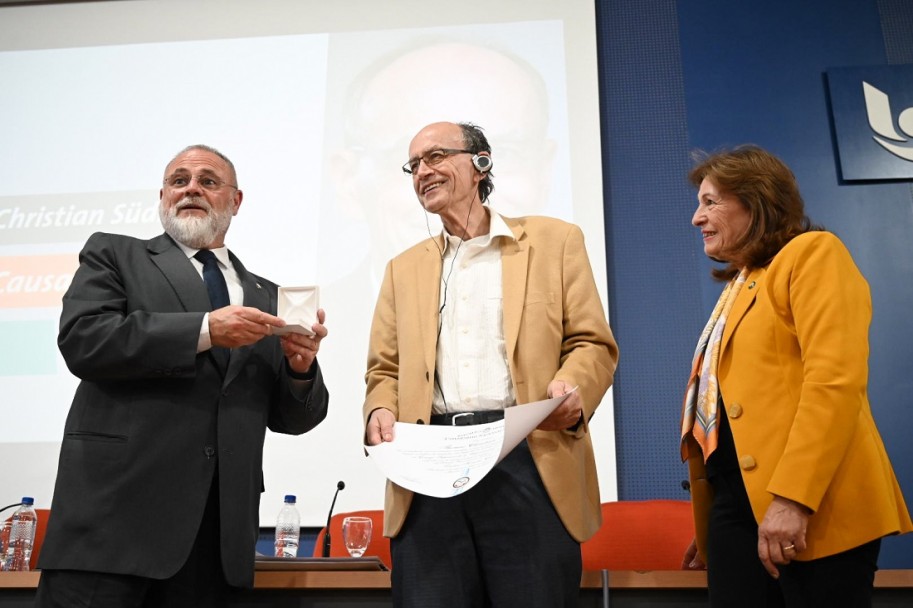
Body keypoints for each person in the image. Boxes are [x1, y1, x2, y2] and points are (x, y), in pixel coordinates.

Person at [35, 145, 330, 607]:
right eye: (179, 180)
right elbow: (84, 340)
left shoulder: (268, 295)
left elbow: (293, 419)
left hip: (216, 545)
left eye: (208, 181)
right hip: (112, 532)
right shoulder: (115, 255)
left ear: (236, 201)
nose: (191, 187)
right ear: (163, 196)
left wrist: (300, 368)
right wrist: (206, 330)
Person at [363, 121, 618, 607]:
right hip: (429, 466)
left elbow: (592, 342)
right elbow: (384, 370)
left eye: (435, 157)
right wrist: (378, 409)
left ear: (481, 163)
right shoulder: (403, 267)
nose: (423, 171)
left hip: (527, 455)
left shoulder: (554, 241)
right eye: (414, 165)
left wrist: (572, 384)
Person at [679, 145, 912, 607]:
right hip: (740, 509)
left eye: (711, 201)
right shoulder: (739, 286)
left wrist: (791, 500)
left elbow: (834, 383)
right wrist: (720, 521)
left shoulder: (811, 254)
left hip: (812, 506)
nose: (696, 218)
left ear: (758, 200)